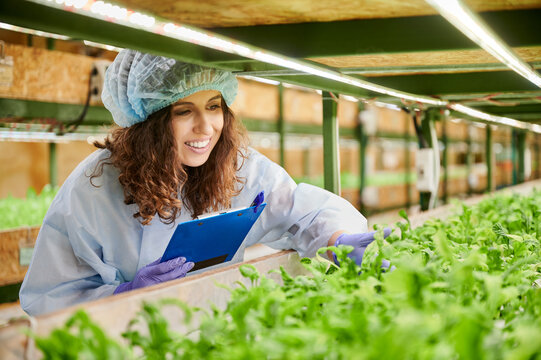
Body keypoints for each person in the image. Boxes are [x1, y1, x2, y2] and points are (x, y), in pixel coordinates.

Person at [19, 49, 385, 317]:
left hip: (213, 329)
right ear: (150, 119)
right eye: (183, 112)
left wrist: (338, 238)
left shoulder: (234, 166)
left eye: (213, 106)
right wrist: (124, 294)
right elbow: (47, 298)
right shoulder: (94, 188)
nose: (206, 128)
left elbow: (300, 209)